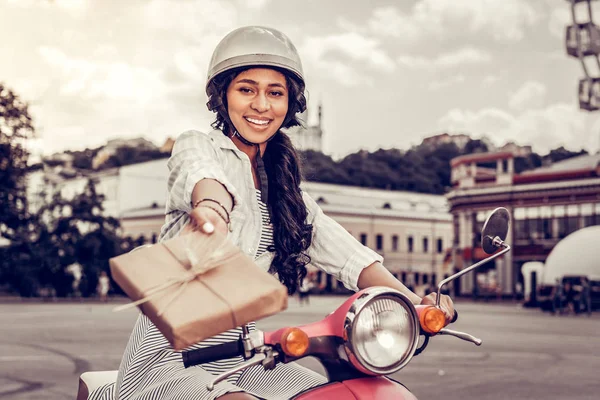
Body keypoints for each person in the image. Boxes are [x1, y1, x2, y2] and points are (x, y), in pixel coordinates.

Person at [89, 26, 454, 400]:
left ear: (289, 103)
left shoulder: (288, 194)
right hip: (167, 357)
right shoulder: (196, 146)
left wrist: (415, 302)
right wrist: (211, 210)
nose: (262, 105)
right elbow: (203, 178)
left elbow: (349, 257)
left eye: (274, 93)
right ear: (223, 96)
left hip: (243, 357)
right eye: (247, 89)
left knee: (338, 392)